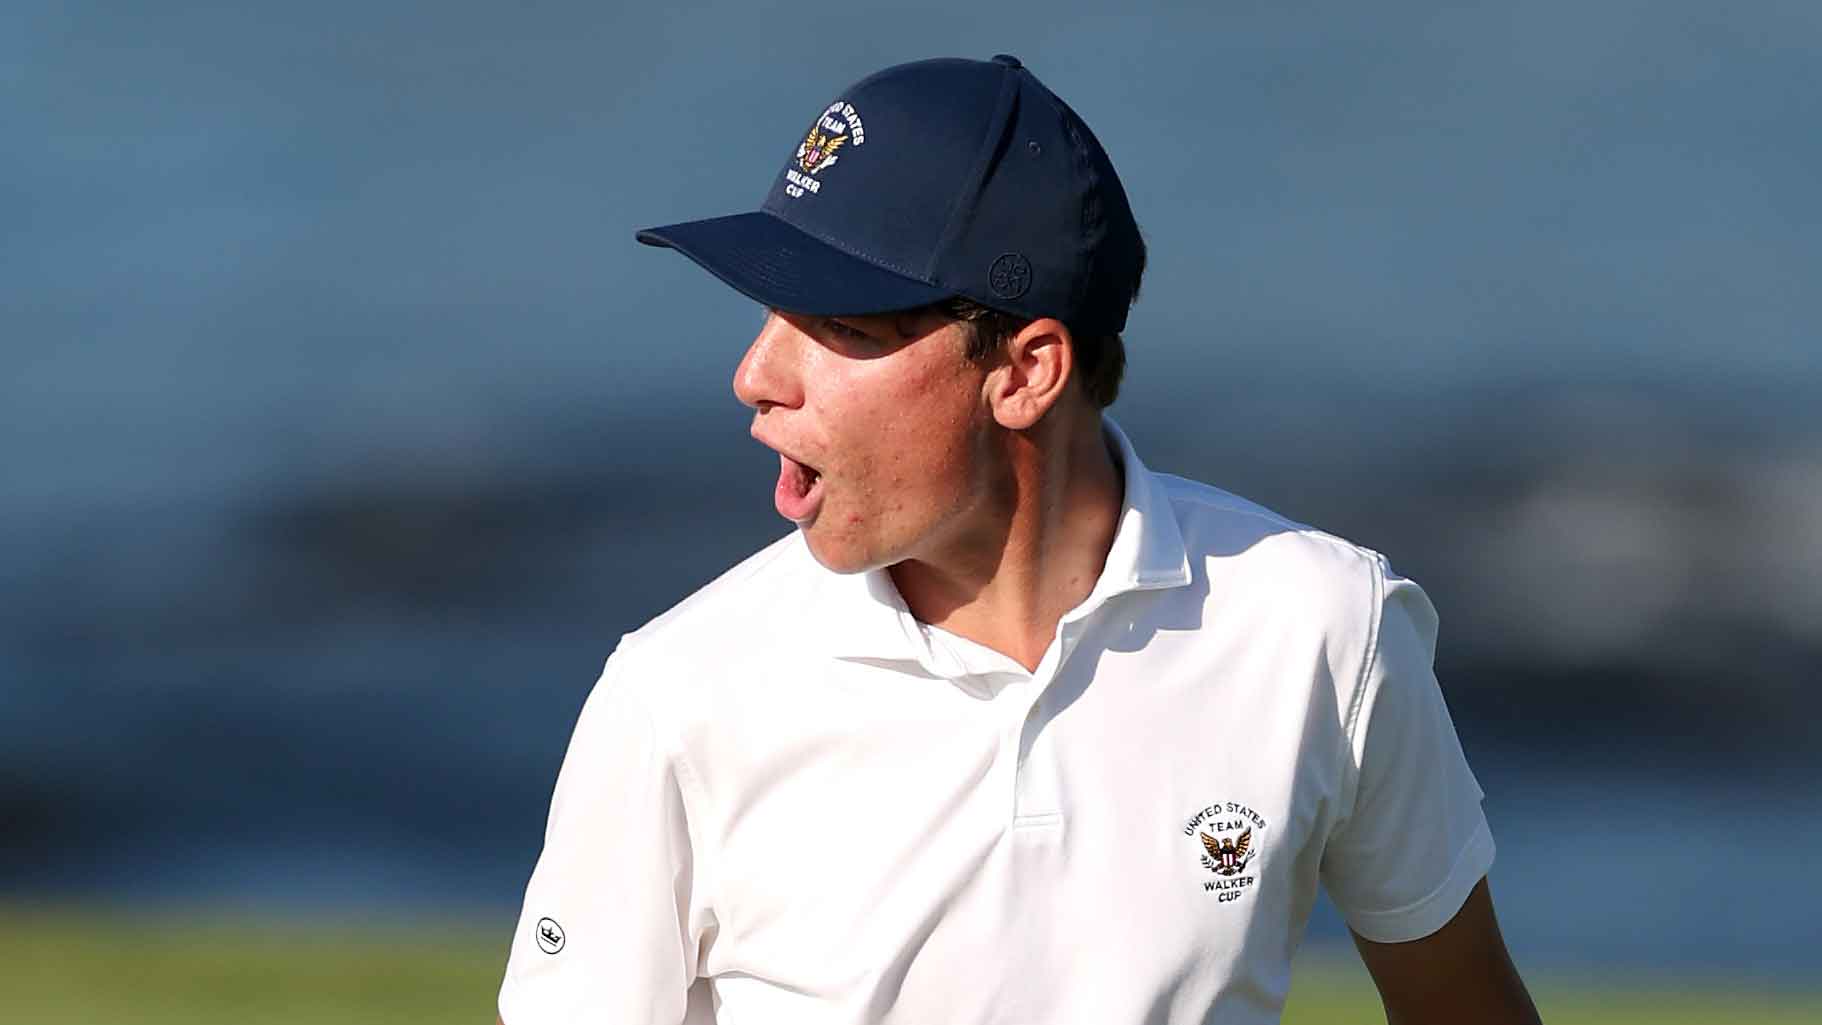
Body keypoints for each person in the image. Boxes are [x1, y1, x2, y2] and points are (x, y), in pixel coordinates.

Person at [497, 55, 1541, 1025]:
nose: (757, 376)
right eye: (772, 313)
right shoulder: (680, 692)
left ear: (1028, 371)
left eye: (842, 329)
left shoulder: (1325, 625)